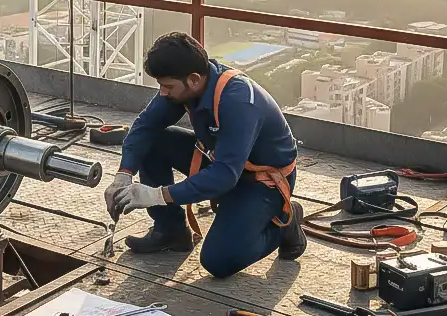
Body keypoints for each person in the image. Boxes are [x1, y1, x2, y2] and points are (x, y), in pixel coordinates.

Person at [104, 32, 306, 278]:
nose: (163, 93)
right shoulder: (186, 83)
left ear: (194, 80)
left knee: (218, 261)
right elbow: (145, 126)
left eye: (168, 86)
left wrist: (157, 195)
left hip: (261, 182)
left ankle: (285, 222)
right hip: (224, 163)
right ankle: (171, 231)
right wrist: (123, 174)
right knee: (154, 141)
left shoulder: (239, 101)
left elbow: (224, 175)